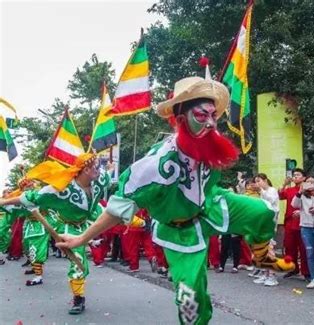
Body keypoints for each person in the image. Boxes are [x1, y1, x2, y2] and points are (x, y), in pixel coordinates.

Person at [56, 76, 295, 325]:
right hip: (179, 230)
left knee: (263, 211)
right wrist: (81, 239)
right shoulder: (156, 166)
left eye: (214, 115)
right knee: (191, 299)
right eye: (202, 116)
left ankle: (262, 256)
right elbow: (117, 209)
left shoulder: (207, 143)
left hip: (211, 204)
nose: (212, 123)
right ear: (180, 120)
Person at [0, 153, 113, 314]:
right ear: (86, 170)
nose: (99, 170)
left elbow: (108, 174)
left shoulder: (100, 180)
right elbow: (31, 197)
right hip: (69, 227)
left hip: (93, 216)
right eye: (96, 167)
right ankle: (79, 298)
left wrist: (109, 168)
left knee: (120, 214)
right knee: (77, 261)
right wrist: (4, 201)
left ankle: (139, 224)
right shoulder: (61, 189)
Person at [279, 168, 310, 280]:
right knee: (289, 247)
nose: (295, 177)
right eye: (294, 175)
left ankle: (306, 271)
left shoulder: (308, 189)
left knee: (303, 248)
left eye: (298, 175)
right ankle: (292, 269)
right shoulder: (289, 189)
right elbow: (280, 195)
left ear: (304, 178)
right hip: (289, 222)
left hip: (303, 222)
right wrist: (284, 184)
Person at [253, 173, 280, 286]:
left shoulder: (272, 190)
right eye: (256, 181)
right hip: (263, 222)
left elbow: (271, 201)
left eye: (259, 181)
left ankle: (273, 275)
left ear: (265, 180)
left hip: (270, 223)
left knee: (270, 249)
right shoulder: (262, 193)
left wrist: (261, 191)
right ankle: (265, 273)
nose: (257, 183)